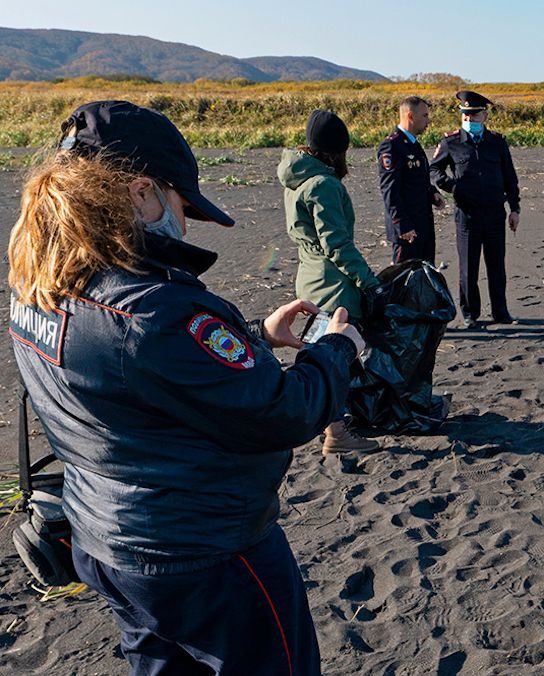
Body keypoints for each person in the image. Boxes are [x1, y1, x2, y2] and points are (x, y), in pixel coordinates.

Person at [7, 100, 365, 675]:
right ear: (141, 193)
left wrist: (252, 337)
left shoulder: (39, 287)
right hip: (201, 552)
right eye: (179, 201)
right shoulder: (155, 311)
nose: (180, 214)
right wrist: (337, 349)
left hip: (107, 540)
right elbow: (285, 411)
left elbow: (126, 374)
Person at [279, 109, 381, 452]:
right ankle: (336, 432)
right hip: (333, 283)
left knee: (321, 352)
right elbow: (336, 244)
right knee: (336, 355)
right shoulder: (324, 184)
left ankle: (335, 422)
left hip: (308, 277)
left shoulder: (296, 181)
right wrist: (369, 281)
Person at [430, 90, 521, 328]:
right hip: (467, 215)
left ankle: (501, 312)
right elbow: (434, 170)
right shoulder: (450, 142)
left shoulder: (497, 143)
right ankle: (470, 314)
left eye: (474, 115)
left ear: (485, 115)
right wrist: (451, 187)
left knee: (496, 266)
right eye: (466, 116)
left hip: (494, 213)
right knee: (468, 267)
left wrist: (515, 208)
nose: (470, 120)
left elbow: (510, 178)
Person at [377, 95, 445, 263]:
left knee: (424, 281)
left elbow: (418, 179)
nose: (428, 121)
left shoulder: (413, 143)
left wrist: (433, 194)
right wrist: (402, 225)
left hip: (422, 227)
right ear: (410, 116)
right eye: (425, 115)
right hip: (407, 233)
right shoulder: (392, 146)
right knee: (403, 283)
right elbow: (390, 191)